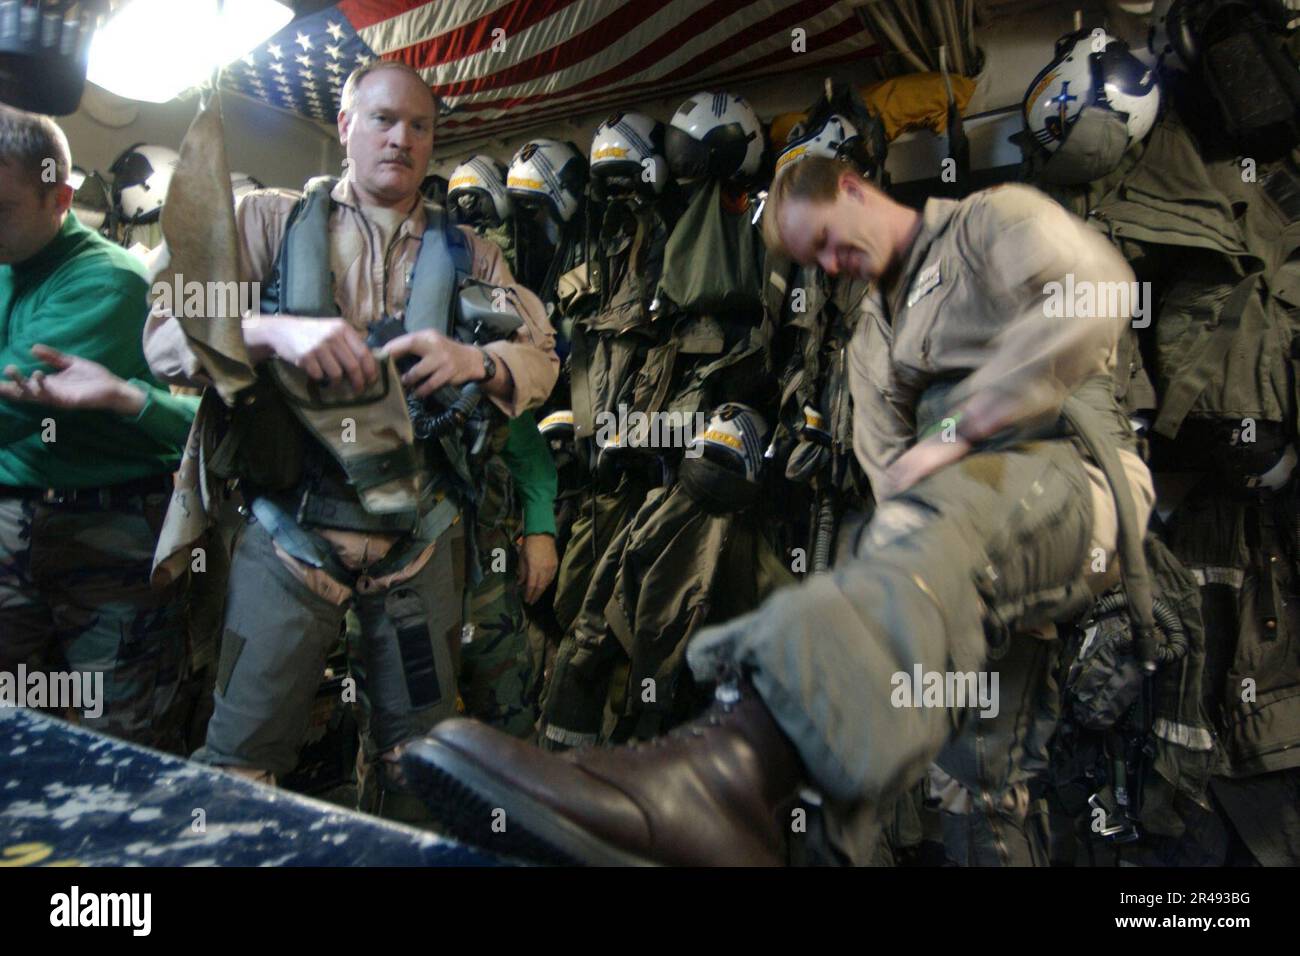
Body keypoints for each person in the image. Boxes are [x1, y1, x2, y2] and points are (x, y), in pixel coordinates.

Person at [399, 155, 1157, 865]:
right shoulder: (873, 337)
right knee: (973, 772)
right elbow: (894, 477)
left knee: (934, 539)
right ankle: (776, 802)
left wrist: (971, 422)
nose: (828, 267)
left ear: (855, 190)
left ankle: (728, 773)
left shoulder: (990, 222)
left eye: (827, 241)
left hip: (1079, 478)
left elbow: (1098, 295)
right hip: (968, 547)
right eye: (812, 260)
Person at [142, 60, 558, 813]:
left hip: (417, 544)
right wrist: (271, 333)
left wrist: (479, 359)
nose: (400, 139)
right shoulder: (266, 223)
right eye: (382, 120)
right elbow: (164, 340)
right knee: (239, 767)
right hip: (290, 535)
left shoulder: (475, 256)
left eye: (419, 126)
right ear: (343, 127)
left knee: (420, 771)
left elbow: (544, 360)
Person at [0, 106, 196, 750]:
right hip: (13, 529)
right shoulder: (8, 262)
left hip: (104, 539)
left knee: (125, 743)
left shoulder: (105, 280)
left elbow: (10, 407)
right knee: (19, 730)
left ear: (59, 197)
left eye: (2, 208)